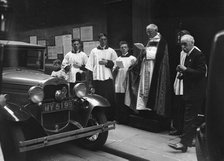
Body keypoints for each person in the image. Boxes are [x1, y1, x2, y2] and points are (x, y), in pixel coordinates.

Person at [168, 34, 207, 152]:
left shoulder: (198, 54)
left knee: (189, 118)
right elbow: (192, 73)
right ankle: (186, 143)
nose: (183, 47)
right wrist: (182, 75)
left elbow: (201, 72)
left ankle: (183, 143)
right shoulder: (189, 54)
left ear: (192, 43)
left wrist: (185, 69)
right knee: (189, 118)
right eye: (181, 44)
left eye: (185, 44)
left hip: (195, 93)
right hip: (190, 91)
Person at [125, 24, 171, 117]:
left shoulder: (161, 41)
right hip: (146, 66)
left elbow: (159, 55)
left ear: (155, 30)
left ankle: (152, 109)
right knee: (144, 88)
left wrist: (146, 51)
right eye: (147, 32)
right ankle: (145, 109)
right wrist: (143, 51)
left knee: (151, 87)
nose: (148, 34)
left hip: (154, 68)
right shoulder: (150, 41)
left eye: (149, 31)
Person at [85, 33, 118, 121]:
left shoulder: (111, 51)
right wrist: (90, 83)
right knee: (98, 99)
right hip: (97, 80)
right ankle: (100, 118)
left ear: (107, 40)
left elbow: (116, 64)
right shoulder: (94, 51)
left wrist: (107, 62)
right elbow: (90, 67)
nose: (103, 41)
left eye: (105, 39)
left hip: (107, 79)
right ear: (99, 40)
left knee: (108, 99)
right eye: (101, 39)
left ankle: (110, 118)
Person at [170, 30, 191, 136]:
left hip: (186, 81)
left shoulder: (193, 52)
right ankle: (178, 128)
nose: (179, 42)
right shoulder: (181, 52)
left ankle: (183, 130)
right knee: (178, 105)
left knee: (184, 107)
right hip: (179, 80)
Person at [113, 41, 137, 124]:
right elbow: (114, 70)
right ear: (120, 49)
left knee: (126, 100)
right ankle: (119, 119)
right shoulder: (118, 59)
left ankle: (127, 119)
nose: (123, 49)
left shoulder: (132, 58)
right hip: (119, 82)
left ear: (128, 48)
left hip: (128, 82)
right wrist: (115, 69)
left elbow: (136, 70)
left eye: (125, 47)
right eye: (122, 47)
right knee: (119, 101)